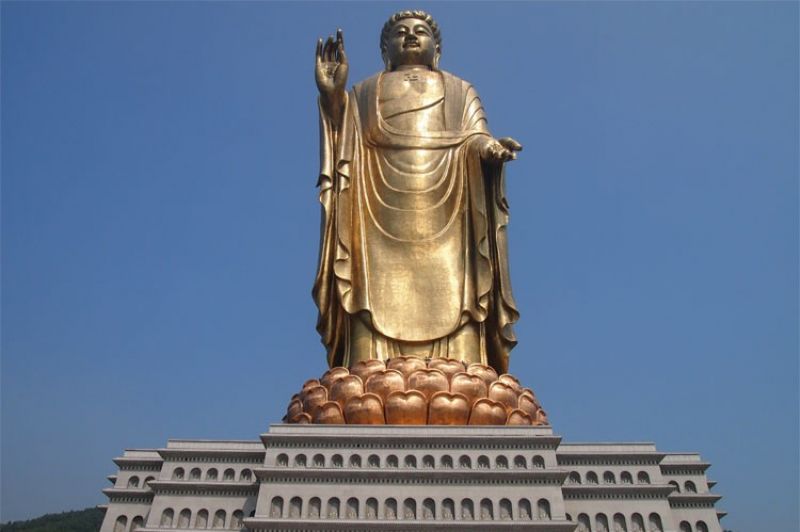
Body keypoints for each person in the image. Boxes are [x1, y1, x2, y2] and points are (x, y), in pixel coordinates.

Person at [313, 10, 522, 373]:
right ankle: (368, 366)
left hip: (450, 213)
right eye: (400, 33)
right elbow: (344, 146)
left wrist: (490, 150)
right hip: (375, 216)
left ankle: (462, 364)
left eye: (420, 32)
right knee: (366, 290)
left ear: (436, 49)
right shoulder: (364, 91)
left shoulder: (460, 90)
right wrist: (334, 99)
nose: (410, 37)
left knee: (458, 291)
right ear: (385, 51)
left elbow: (475, 138)